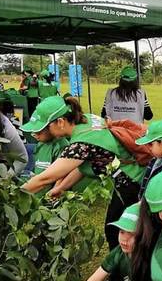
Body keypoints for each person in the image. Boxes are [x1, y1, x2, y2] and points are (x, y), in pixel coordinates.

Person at [21, 96, 145, 260]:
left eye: (44, 128)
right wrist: (60, 188)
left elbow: (44, 178)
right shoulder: (88, 121)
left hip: (132, 181)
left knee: (118, 230)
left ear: (60, 122)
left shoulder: (80, 145)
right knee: (119, 228)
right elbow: (82, 166)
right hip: (130, 178)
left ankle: (121, 275)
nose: (38, 133)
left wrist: (14, 194)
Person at [82, 202, 161, 281]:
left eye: (132, 234)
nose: (124, 239)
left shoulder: (151, 261)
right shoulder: (120, 251)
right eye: (122, 232)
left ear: (145, 235)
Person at [18, 109, 70, 197]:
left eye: (38, 131)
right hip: (36, 189)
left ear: (52, 127)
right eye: (33, 131)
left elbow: (61, 177)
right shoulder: (40, 144)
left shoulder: (61, 146)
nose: (34, 134)